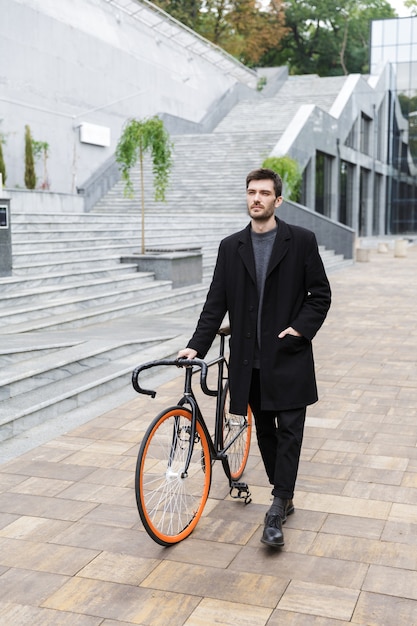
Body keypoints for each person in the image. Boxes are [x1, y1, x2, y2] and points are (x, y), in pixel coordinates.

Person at [178, 168, 331, 548]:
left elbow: (320, 294)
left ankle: (277, 507)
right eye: (251, 192)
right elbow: (216, 304)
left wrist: (299, 329)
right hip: (250, 362)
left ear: (278, 200)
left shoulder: (301, 241)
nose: (256, 199)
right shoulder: (231, 247)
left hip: (289, 356)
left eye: (264, 193)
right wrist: (196, 345)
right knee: (265, 431)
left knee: (290, 433)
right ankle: (286, 492)